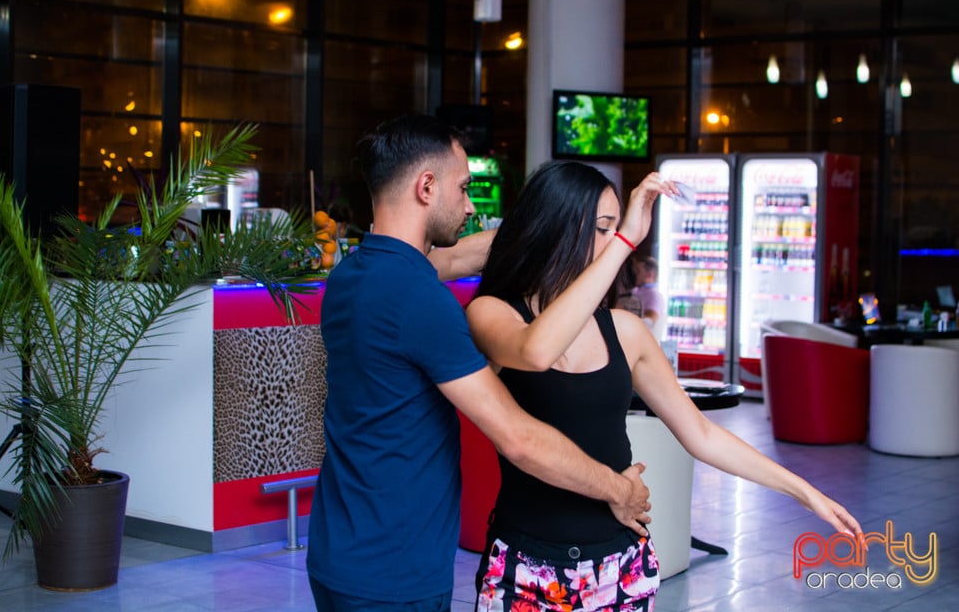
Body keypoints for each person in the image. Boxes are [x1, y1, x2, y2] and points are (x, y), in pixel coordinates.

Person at [465, 161, 863, 611]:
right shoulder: (493, 314)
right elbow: (536, 351)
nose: (616, 241)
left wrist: (804, 492)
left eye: (618, 229)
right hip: (524, 569)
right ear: (556, 227)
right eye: (603, 228)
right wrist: (626, 240)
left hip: (619, 567)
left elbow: (702, 434)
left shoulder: (626, 331)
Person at [306, 115, 653, 611]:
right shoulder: (420, 300)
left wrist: (556, 225)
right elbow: (519, 438)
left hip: (339, 551)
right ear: (426, 187)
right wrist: (619, 489)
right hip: (394, 570)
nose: (470, 206)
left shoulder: (352, 274)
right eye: (464, 188)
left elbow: (452, 260)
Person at [628, 254, 666, 341]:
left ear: (649, 274)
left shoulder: (654, 296)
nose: (634, 274)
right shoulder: (635, 291)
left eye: (638, 271)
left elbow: (649, 321)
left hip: (639, 340)